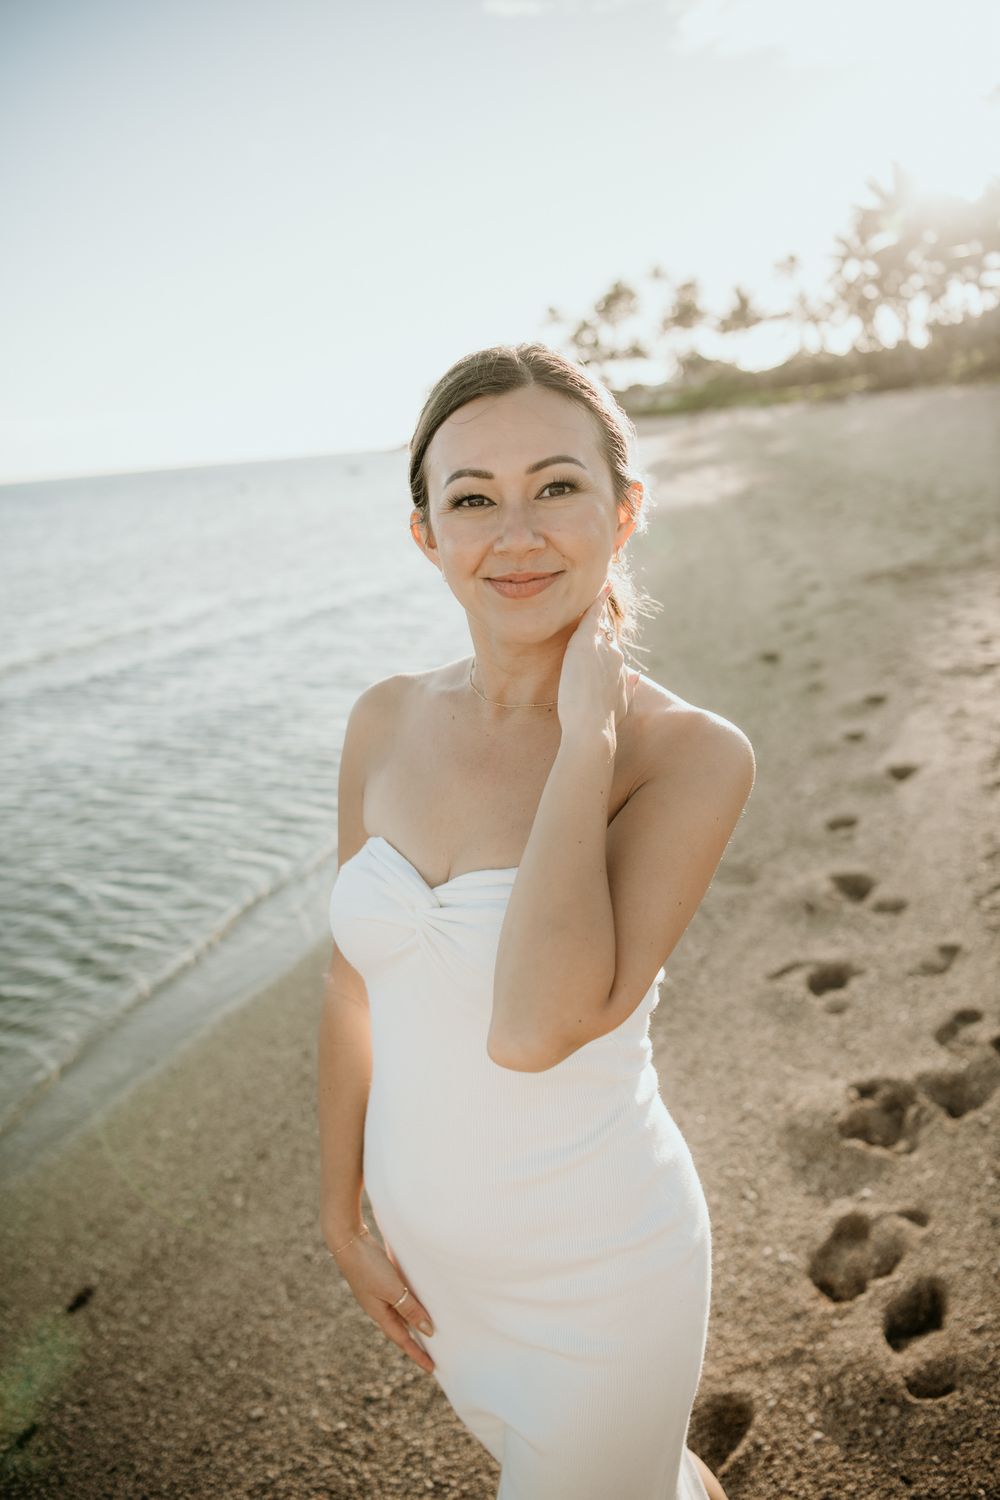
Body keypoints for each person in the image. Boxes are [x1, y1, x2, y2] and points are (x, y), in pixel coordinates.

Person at [317, 342, 754, 1498]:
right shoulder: (383, 719)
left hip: (601, 1275)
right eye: (472, 500)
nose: (515, 535)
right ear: (427, 535)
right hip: (447, 1285)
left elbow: (532, 1027)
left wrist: (585, 738)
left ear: (623, 512)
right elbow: (352, 987)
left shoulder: (688, 757)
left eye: (556, 487)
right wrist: (337, 1212)